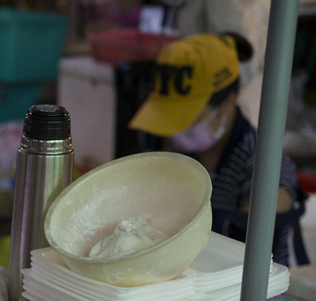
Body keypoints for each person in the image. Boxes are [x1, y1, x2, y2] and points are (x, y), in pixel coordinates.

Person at [128, 31, 308, 267]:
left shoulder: (264, 168)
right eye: (169, 121)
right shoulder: (178, 154)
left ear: (228, 101)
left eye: (188, 120)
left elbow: (253, 266)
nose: (176, 132)